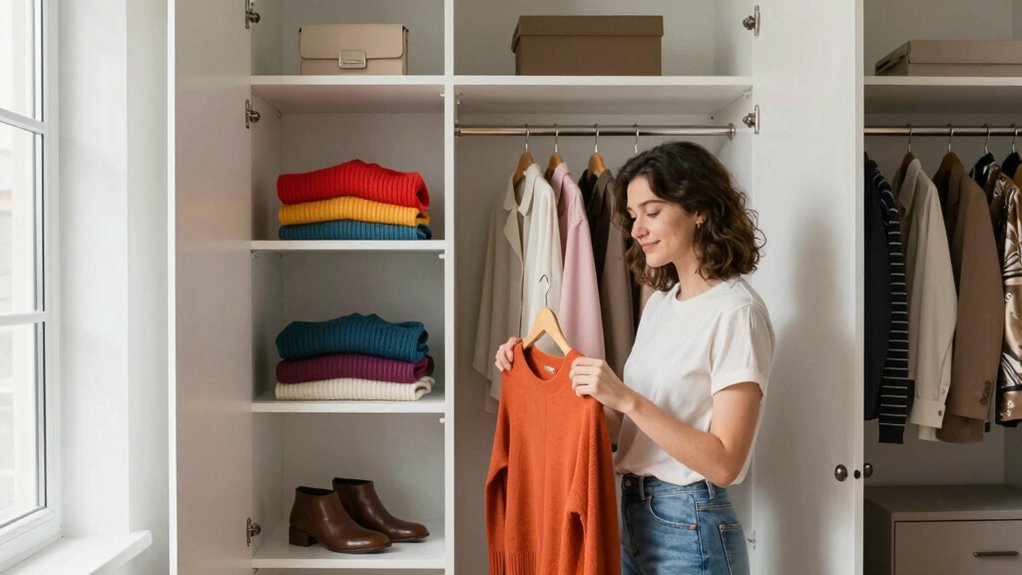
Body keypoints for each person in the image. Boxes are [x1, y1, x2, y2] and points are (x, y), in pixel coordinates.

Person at [494, 141, 774, 575]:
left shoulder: (737, 313)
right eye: (633, 214)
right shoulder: (662, 304)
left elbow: (724, 462)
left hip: (690, 523)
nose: (637, 227)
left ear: (699, 209)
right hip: (632, 510)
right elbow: (634, 435)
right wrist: (538, 378)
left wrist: (624, 398)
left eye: (653, 211)